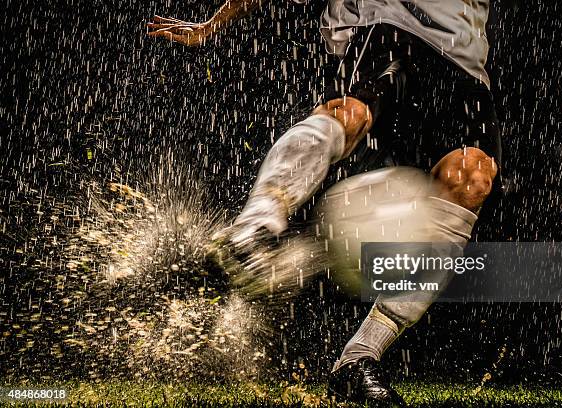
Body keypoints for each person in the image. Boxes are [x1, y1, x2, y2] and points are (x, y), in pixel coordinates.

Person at [148, 1, 500, 406]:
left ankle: (357, 362)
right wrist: (214, 23)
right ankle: (251, 231)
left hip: (463, 58)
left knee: (472, 180)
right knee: (349, 116)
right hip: (383, 23)